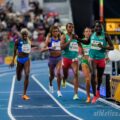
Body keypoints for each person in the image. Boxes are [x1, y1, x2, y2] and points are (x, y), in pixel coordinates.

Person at [78, 21, 114, 103]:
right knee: (93, 75)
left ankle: (97, 92)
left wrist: (103, 47)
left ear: (102, 28)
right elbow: (87, 42)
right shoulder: (92, 35)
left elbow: (112, 47)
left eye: (99, 27)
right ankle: (94, 95)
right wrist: (78, 39)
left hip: (101, 59)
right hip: (92, 58)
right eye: (96, 27)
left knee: (99, 77)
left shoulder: (105, 35)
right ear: (94, 28)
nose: (98, 28)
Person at [10, 28, 36, 100]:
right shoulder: (17, 41)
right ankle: (18, 72)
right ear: (21, 35)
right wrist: (12, 60)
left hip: (26, 59)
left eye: (26, 35)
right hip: (19, 60)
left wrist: (35, 46)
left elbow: (30, 46)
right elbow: (15, 51)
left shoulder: (28, 41)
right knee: (18, 78)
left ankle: (24, 94)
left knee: (27, 74)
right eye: (24, 35)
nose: (25, 36)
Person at [40, 26, 62, 97]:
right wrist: (50, 47)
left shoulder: (61, 39)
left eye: (57, 31)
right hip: (52, 59)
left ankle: (59, 90)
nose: (56, 32)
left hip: (59, 58)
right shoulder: (49, 40)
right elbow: (42, 50)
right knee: (52, 75)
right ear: (52, 32)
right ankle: (50, 84)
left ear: (58, 32)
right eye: (54, 31)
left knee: (58, 73)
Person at [61, 23, 79, 100]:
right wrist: (70, 40)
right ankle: (64, 79)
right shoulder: (64, 36)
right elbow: (62, 47)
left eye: (72, 27)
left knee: (76, 74)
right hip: (66, 58)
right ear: (66, 28)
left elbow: (79, 45)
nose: (71, 28)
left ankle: (75, 94)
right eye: (69, 27)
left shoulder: (76, 36)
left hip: (74, 59)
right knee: (66, 74)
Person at [79, 27, 92, 103]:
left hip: (93, 62)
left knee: (96, 80)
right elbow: (80, 52)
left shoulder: (94, 41)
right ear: (84, 33)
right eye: (86, 31)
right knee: (87, 80)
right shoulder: (81, 42)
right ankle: (88, 96)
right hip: (84, 61)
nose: (88, 32)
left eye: (89, 31)